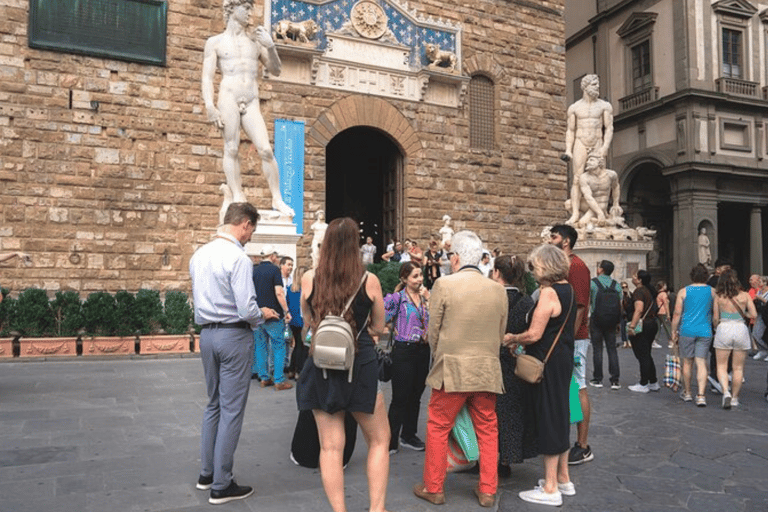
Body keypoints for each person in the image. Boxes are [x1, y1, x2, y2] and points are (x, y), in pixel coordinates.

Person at [297, 217, 390, 512]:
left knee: (330, 446)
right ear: (355, 247)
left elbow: (308, 322)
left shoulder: (310, 278)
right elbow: (378, 326)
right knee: (379, 440)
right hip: (359, 363)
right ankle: (376, 509)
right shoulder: (368, 280)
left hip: (322, 363)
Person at [189, 203, 280, 504]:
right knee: (231, 410)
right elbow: (246, 308)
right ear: (244, 223)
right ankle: (221, 483)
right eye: (252, 229)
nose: (250, 236)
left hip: (207, 334)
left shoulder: (199, 255)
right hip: (233, 335)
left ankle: (206, 474)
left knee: (213, 404)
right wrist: (262, 314)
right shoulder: (238, 258)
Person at [413, 230, 507, 508]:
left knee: (438, 427)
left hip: (452, 370)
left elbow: (433, 332)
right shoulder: (497, 289)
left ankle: (434, 487)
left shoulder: (444, 284)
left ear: (454, 258)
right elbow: (500, 332)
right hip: (487, 370)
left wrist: (441, 356)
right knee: (488, 429)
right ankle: (488, 490)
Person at [201, 0, 293, 217]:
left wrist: (271, 46)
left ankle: (277, 199)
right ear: (233, 9)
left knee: (266, 150)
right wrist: (209, 105)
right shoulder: (215, 43)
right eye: (247, 8)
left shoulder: (256, 41)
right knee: (231, 148)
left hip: (251, 99)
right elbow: (206, 77)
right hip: (228, 97)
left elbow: (276, 70)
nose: (251, 13)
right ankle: (238, 196)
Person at [506, 245, 576, 507]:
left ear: (545, 266)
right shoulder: (568, 288)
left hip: (546, 361)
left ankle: (550, 487)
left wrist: (512, 337)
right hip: (562, 359)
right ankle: (563, 479)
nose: (533, 272)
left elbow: (535, 334)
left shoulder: (548, 293)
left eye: (534, 266)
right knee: (560, 414)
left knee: (549, 417)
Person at [547, 224, 593, 466]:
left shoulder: (576, 267)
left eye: (553, 237)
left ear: (565, 241)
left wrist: (568, 338)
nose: (549, 239)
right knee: (569, 388)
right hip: (567, 338)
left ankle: (583, 446)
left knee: (579, 386)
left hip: (575, 339)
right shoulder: (564, 266)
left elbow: (580, 306)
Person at [491, 255, 536, 477]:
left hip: (490, 361)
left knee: (487, 413)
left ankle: (485, 459)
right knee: (510, 412)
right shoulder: (527, 301)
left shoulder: (490, 297)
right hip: (514, 362)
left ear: (497, 272)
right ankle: (507, 458)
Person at [383, 261, 430, 454]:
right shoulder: (397, 298)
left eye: (420, 275)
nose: (419, 280)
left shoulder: (426, 297)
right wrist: (389, 330)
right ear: (404, 279)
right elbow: (380, 318)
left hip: (423, 350)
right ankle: (390, 439)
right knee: (400, 397)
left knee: (416, 395)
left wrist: (429, 300)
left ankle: (408, 435)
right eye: (415, 276)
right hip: (403, 349)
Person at [563, 74, 614, 226]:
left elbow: (609, 128)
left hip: (597, 141)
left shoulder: (605, 106)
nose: (597, 87)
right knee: (577, 179)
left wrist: (605, 147)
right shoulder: (574, 108)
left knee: (599, 178)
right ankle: (576, 213)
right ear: (585, 87)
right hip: (580, 142)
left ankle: (600, 212)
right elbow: (570, 131)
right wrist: (568, 149)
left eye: (597, 84)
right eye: (593, 84)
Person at [670, 264, 715, 405]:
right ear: (706, 276)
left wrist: (673, 330)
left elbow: (677, 313)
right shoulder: (713, 292)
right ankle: (701, 395)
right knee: (701, 362)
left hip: (687, 330)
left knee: (687, 362)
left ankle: (688, 392)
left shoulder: (683, 292)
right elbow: (715, 315)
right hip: (705, 330)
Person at [713, 270, 757, 408]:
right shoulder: (744, 296)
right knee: (738, 368)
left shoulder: (719, 296)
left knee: (721, 366)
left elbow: (715, 318)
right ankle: (735, 398)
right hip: (740, 328)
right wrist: (742, 314)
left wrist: (717, 326)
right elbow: (754, 314)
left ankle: (725, 391)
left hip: (724, 327)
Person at [252, 245, 293, 391]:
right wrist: (286, 310)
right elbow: (279, 293)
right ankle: (279, 380)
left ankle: (264, 378)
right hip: (274, 316)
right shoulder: (275, 270)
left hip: (257, 315)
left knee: (260, 347)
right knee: (279, 347)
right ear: (273, 256)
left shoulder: (254, 270)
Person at [589, 259, 622, 390]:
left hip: (596, 319)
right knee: (612, 349)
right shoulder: (617, 285)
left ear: (600, 269)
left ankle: (598, 379)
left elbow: (588, 301)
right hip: (612, 321)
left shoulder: (593, 283)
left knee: (597, 349)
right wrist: (618, 321)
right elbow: (620, 305)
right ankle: (615, 380)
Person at [627, 270, 660, 394]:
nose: (633, 277)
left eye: (635, 276)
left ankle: (644, 383)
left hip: (643, 325)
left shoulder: (639, 291)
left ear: (640, 280)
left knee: (642, 355)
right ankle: (653, 381)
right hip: (651, 324)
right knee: (647, 353)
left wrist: (632, 326)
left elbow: (639, 309)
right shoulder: (648, 291)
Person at [570, 155, 622, 228]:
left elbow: (616, 187)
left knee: (582, 223)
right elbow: (588, 197)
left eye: (591, 160)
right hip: (590, 204)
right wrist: (599, 213)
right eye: (587, 160)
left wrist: (616, 203)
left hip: (602, 204)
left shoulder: (611, 174)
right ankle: (595, 218)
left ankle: (596, 220)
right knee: (568, 204)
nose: (587, 162)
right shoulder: (584, 177)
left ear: (599, 162)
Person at [286, 265, 306, 379]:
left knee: (296, 345)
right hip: (302, 321)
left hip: (292, 321)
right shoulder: (305, 289)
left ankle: (291, 369)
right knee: (301, 347)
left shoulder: (290, 289)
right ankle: (298, 371)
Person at [751, 276, 768, 360]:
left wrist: (759, 298)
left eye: (760, 281)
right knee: (755, 333)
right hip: (760, 314)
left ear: (765, 283)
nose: (759, 283)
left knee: (765, 334)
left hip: (766, 315)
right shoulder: (759, 291)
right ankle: (763, 349)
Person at [655, 281, 671, 349]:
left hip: (658, 312)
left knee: (658, 327)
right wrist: (668, 314)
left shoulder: (658, 294)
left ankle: (655, 340)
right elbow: (666, 305)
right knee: (667, 327)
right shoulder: (664, 294)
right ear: (663, 286)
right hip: (663, 312)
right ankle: (671, 341)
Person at [620, 281, 632, 348]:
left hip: (629, 314)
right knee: (623, 328)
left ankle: (629, 341)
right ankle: (624, 341)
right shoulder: (620, 295)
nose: (624, 288)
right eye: (623, 287)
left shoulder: (630, 294)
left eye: (626, 287)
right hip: (622, 314)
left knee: (629, 328)